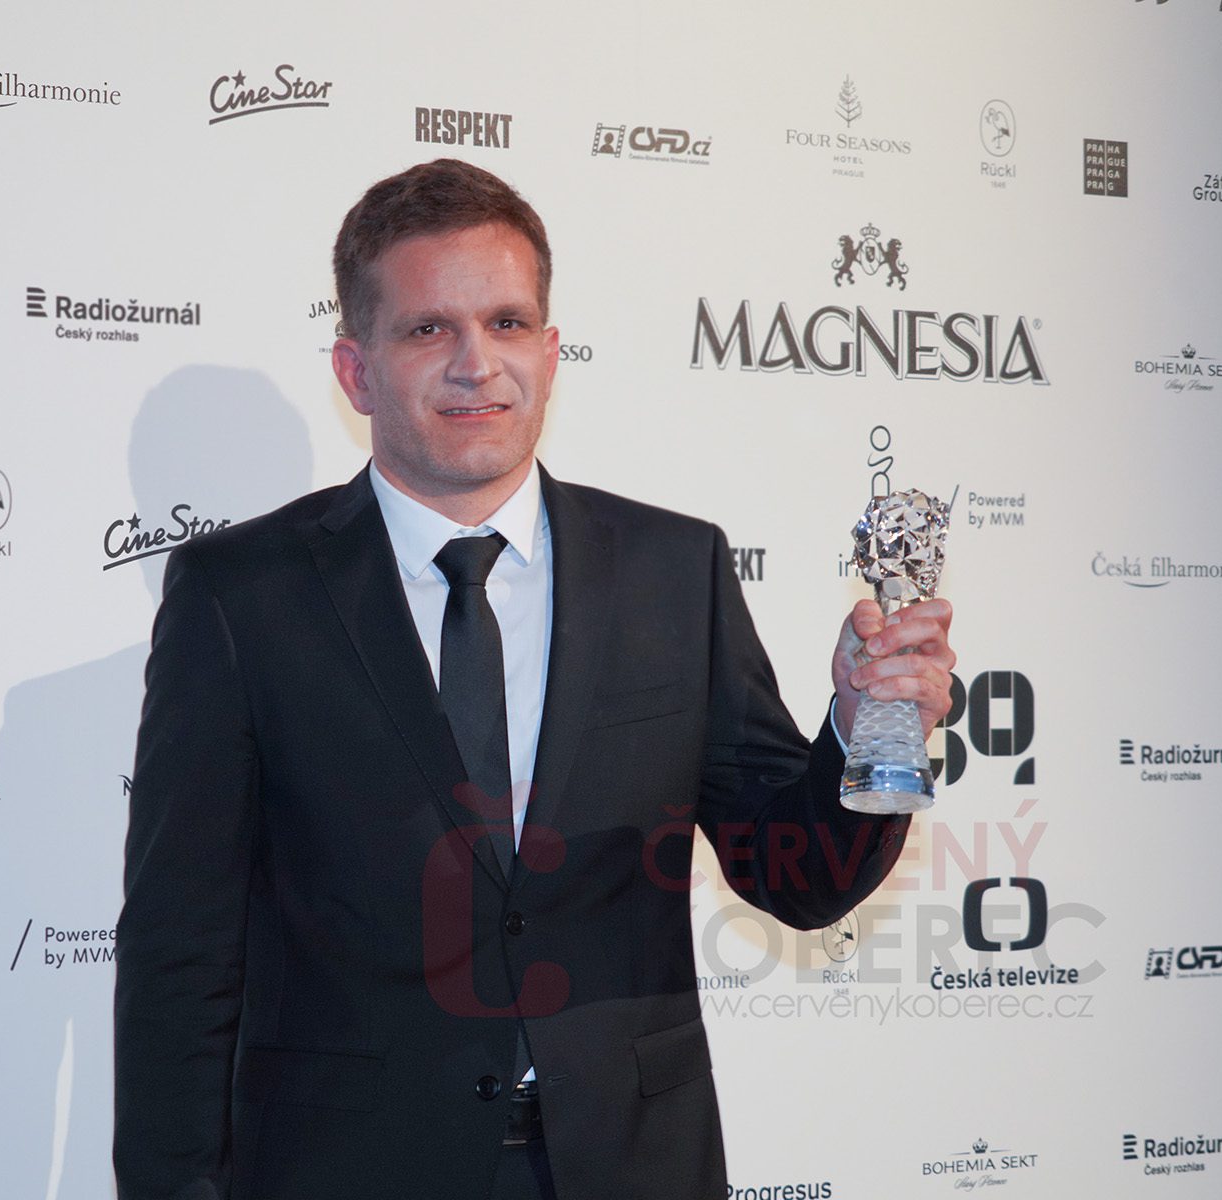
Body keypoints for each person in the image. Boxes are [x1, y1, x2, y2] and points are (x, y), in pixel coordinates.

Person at [114, 158, 955, 1200]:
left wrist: (864, 731)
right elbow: (181, 957)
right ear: (355, 371)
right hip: (346, 1170)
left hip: (628, 1166)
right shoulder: (241, 597)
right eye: (428, 329)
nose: (476, 365)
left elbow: (798, 876)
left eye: (506, 323)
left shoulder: (673, 570)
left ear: (550, 356)